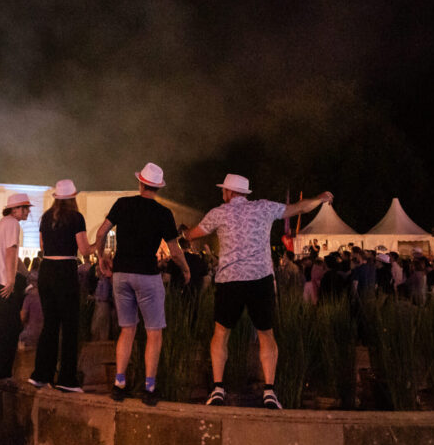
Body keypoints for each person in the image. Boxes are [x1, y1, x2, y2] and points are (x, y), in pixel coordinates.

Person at [187, 173, 332, 409]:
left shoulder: (219, 213)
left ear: (229, 192)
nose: (222, 194)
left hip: (230, 280)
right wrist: (320, 198)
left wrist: (181, 235)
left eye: (223, 190)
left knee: (221, 333)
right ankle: (269, 391)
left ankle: (218, 388)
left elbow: (193, 234)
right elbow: (298, 208)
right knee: (266, 334)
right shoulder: (264, 208)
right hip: (260, 278)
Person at [93, 163, 190, 406]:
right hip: (147, 275)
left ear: (140, 183)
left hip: (121, 274)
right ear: (157, 187)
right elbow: (175, 250)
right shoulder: (164, 213)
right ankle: (149, 387)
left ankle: (119, 383)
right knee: (154, 332)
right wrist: (186, 269)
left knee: (127, 330)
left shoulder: (122, 204)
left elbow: (101, 232)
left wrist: (101, 257)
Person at [29, 179, 92, 392]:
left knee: (50, 325)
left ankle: (40, 374)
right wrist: (97, 245)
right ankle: (67, 379)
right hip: (65, 270)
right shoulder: (76, 218)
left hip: (46, 270)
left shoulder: (46, 217)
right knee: (70, 326)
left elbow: (42, 245)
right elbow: (84, 249)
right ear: (73, 197)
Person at [0, 193, 32, 379]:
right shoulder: (12, 223)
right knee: (11, 326)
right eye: (25, 208)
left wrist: (27, 274)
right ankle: (2, 374)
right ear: (15, 209)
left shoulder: (2, 223)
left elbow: (14, 255)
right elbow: (10, 252)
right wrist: (10, 280)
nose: (27, 211)